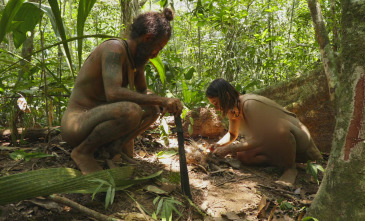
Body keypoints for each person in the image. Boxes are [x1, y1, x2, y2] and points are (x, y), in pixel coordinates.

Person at [61, 8, 182, 175]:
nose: (156, 55)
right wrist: (161, 100)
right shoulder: (115, 48)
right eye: (158, 48)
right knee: (130, 110)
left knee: (153, 108)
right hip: (77, 123)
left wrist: (163, 101)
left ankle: (114, 149)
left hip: (98, 120)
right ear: (147, 38)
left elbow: (143, 91)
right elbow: (113, 93)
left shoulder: (137, 61)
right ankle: (83, 152)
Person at [206, 78, 322, 186]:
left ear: (226, 96)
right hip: (276, 144)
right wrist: (218, 144)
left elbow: (261, 138)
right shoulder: (234, 109)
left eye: (216, 103)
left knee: (280, 127)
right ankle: (283, 161)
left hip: (299, 142)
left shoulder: (249, 104)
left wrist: (230, 148)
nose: (216, 108)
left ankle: (290, 168)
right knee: (243, 155)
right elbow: (232, 134)